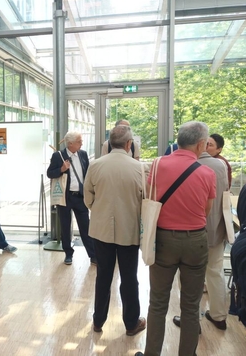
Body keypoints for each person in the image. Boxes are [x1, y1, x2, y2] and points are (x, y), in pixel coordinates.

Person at [135, 121, 216, 356]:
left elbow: (152, 196)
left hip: (163, 240)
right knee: (191, 306)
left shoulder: (158, 165)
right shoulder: (207, 173)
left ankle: (151, 353)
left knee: (158, 303)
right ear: (200, 144)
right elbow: (207, 210)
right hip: (195, 242)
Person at [84, 124, 146, 336]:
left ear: (110, 143)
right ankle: (131, 323)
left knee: (103, 276)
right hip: (129, 230)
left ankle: (98, 321)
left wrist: (100, 210)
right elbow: (144, 199)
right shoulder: (139, 168)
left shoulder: (95, 165)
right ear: (129, 144)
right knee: (129, 277)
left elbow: (88, 197)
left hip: (101, 229)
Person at [172, 147, 229, 331]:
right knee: (215, 271)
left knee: (188, 276)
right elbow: (225, 194)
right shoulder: (220, 165)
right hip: (216, 229)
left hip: (190, 230)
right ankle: (219, 316)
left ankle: (192, 319)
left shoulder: (180, 164)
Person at [47, 131, 96, 265]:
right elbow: (49, 173)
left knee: (85, 227)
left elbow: (87, 174)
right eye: (79, 141)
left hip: (80, 196)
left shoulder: (83, 154)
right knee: (65, 226)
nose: (82, 143)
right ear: (70, 144)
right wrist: (61, 169)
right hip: (65, 197)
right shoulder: (58, 156)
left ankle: (93, 255)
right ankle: (68, 253)